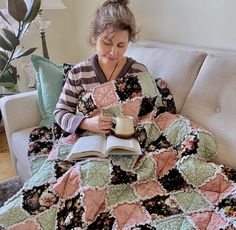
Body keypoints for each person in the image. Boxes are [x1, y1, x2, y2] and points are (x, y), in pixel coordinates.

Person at [54, 0, 148, 135]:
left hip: (128, 142)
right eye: (107, 43)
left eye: (121, 45)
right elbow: (60, 113)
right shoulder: (78, 73)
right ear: (94, 37)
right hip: (88, 141)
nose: (113, 52)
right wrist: (86, 123)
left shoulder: (138, 72)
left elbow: (151, 114)